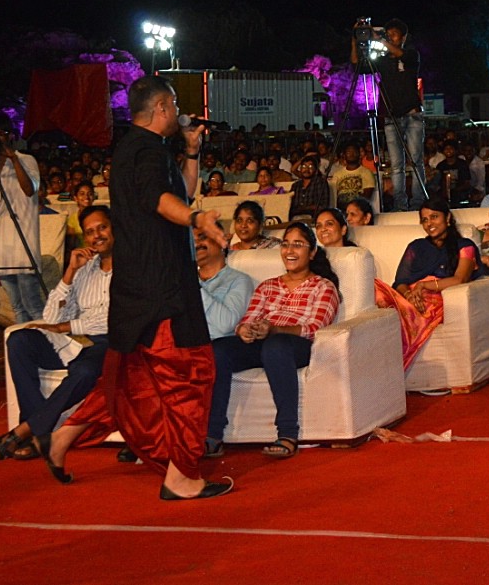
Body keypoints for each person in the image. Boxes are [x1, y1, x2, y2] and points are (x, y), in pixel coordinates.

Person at [35, 75, 233, 500]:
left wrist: (192, 151)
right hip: (161, 289)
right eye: (175, 104)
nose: (178, 111)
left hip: (136, 288)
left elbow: (176, 191)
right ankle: (181, 477)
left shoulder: (139, 150)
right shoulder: (144, 153)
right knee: (190, 376)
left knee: (132, 380)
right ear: (161, 109)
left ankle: (62, 437)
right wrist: (198, 220)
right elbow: (163, 201)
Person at [0, 206, 114, 461]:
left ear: (114, 228)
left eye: (102, 227)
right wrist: (70, 273)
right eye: (90, 232)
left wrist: (66, 327)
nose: (97, 235)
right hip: (77, 342)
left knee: (85, 371)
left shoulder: (133, 268)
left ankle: (26, 429)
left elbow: (115, 318)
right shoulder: (84, 269)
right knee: (19, 339)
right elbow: (52, 316)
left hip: (112, 343)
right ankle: (38, 433)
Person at [208, 223, 340, 458]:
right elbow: (247, 319)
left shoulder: (322, 286)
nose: (289, 250)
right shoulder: (267, 286)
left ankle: (288, 433)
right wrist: (245, 330)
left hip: (297, 346)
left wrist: (275, 329)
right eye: (286, 244)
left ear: (311, 253)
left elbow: (314, 328)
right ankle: (213, 434)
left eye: (298, 245)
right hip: (264, 341)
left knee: (275, 346)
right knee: (218, 349)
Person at [375, 198, 482, 370]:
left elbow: (459, 279)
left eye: (434, 217)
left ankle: (387, 365)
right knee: (376, 289)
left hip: (436, 298)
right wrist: (409, 295)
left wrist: (424, 286)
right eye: (424, 220)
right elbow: (401, 281)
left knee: (409, 310)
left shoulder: (465, 246)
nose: (429, 223)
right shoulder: (416, 247)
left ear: (447, 218)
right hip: (410, 297)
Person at [194, 219, 254, 458]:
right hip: (189, 342)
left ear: (222, 241)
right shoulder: (180, 281)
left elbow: (224, 325)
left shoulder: (238, 281)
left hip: (226, 346)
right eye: (194, 239)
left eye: (203, 237)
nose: (197, 244)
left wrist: (192, 287)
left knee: (215, 351)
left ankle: (212, 434)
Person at [353, 18, 424, 212]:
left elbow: (401, 54)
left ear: (403, 37)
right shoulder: (383, 60)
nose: (390, 37)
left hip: (412, 114)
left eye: (393, 34)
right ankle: (401, 205)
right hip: (392, 116)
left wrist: (380, 39)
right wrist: (355, 39)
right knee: (396, 165)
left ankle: (418, 203)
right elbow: (357, 65)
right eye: (388, 33)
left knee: (416, 161)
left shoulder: (411, 54)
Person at [0, 111, 44, 323]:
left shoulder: (27, 160)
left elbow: (29, 189)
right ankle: (25, 351)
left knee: (33, 306)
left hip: (23, 247)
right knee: (18, 309)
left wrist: (12, 157)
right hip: (2, 251)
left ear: (8, 135)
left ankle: (46, 349)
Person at [331, 140, 376, 211]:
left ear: (359, 154)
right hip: (341, 209)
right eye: (349, 152)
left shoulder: (366, 172)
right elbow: (333, 195)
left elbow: (367, 196)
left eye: (354, 152)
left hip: (358, 209)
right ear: (344, 155)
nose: (352, 154)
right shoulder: (337, 174)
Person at [289, 154, 330, 221]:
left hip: (314, 217)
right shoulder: (295, 185)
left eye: (310, 166)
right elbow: (290, 205)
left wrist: (305, 208)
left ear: (316, 169)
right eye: (304, 166)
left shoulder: (320, 182)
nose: (306, 169)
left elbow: (323, 205)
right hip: (295, 217)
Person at [64, 180, 97, 252]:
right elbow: (71, 245)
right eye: (82, 194)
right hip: (82, 254)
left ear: (93, 197)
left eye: (90, 194)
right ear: (76, 198)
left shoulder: (99, 215)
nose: (86, 197)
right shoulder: (73, 219)